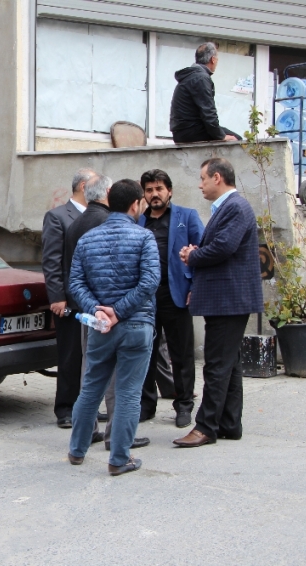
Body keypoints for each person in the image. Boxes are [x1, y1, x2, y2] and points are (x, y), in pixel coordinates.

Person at [67, 179, 160, 476]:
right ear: (136, 204)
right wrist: (118, 312)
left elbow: (75, 284)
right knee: (129, 392)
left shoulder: (87, 240)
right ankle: (119, 459)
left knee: (91, 387)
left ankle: (77, 450)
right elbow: (149, 282)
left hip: (100, 327)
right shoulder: (145, 238)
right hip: (136, 325)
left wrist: (97, 310)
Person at [175, 158, 263, 447]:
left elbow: (224, 247)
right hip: (227, 300)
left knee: (215, 365)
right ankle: (229, 423)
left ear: (217, 178)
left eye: (202, 178)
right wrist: (198, 251)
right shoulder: (228, 207)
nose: (199, 185)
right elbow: (223, 245)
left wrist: (192, 256)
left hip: (228, 300)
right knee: (229, 364)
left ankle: (205, 427)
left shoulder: (236, 206)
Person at [137, 169, 204, 428]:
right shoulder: (138, 222)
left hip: (177, 296)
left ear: (170, 191)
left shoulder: (187, 217)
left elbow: (203, 253)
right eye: (150, 190)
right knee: (146, 353)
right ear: (144, 194)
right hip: (145, 300)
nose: (155, 194)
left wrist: (194, 287)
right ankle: (146, 404)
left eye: (159, 189)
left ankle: (184, 405)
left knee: (182, 354)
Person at [42, 169, 100, 438]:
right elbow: (52, 260)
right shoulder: (58, 217)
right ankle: (65, 407)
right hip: (68, 300)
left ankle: (85, 406)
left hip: (93, 299)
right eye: (98, 185)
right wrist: (57, 297)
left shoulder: (98, 216)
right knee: (70, 355)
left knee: (91, 356)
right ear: (83, 186)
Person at [170, 42, 241, 144]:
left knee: (223, 133)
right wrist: (221, 136)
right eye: (217, 59)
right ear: (213, 59)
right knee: (236, 140)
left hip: (182, 131)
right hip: (191, 131)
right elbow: (208, 113)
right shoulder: (201, 78)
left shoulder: (191, 76)